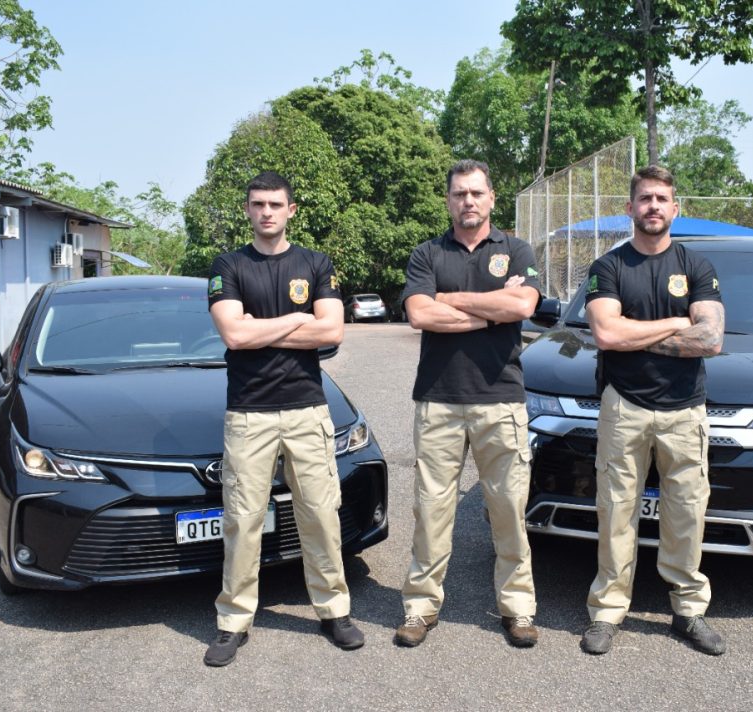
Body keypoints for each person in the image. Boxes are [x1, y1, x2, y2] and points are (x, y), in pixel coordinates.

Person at [203, 171, 363, 667]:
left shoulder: (315, 263)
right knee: (243, 519)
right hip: (248, 413)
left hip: (307, 410)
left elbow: (331, 330)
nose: (266, 211)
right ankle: (233, 621)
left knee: (320, 514)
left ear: (291, 209)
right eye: (258, 204)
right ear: (247, 210)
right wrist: (298, 319)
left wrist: (262, 327)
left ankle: (334, 611)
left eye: (275, 204)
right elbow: (234, 335)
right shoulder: (228, 265)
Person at [579, 165, 726, 656]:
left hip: (685, 411)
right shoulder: (609, 267)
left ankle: (688, 611)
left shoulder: (697, 266)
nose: (653, 207)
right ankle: (607, 612)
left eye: (662, 199)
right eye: (645, 198)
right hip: (624, 407)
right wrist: (675, 323)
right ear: (630, 208)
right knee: (615, 512)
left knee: (686, 513)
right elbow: (606, 333)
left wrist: (635, 334)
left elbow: (710, 338)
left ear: (675, 208)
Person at [395, 159, 542, 648]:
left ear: (492, 198)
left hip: (500, 400)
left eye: (477, 193)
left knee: (508, 509)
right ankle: (420, 608)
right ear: (448, 200)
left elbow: (523, 306)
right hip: (438, 401)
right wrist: (492, 311)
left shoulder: (516, 250)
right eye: (459, 194)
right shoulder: (427, 253)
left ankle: (517, 608)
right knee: (431, 511)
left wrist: (450, 299)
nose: (468, 201)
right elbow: (420, 314)